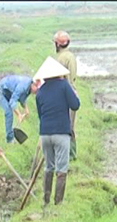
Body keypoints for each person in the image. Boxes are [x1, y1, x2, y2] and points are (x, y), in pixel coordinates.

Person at [34, 56, 80, 206]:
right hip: (61, 132)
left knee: (49, 166)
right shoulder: (64, 86)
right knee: (61, 168)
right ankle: (58, 202)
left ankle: (46, 200)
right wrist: (74, 96)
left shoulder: (40, 91)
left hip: (45, 134)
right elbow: (75, 105)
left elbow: (40, 114)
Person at [52, 30, 79, 161]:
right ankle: (71, 154)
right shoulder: (71, 56)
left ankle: (68, 155)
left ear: (57, 44)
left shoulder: (60, 59)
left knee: (64, 128)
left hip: (64, 96)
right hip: (72, 93)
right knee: (70, 127)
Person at [0, 75, 39, 144]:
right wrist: (19, 114)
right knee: (8, 112)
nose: (36, 92)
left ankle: (10, 137)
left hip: (9, 91)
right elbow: (13, 101)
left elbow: (22, 98)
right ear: (33, 84)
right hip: (2, 90)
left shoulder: (28, 87)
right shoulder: (23, 86)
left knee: (10, 111)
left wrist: (26, 108)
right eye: (36, 89)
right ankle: (9, 140)